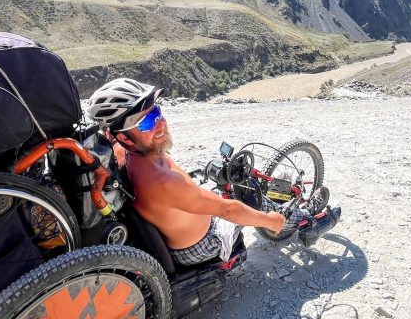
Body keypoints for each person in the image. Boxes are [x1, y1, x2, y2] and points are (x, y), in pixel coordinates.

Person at [86, 78, 337, 265]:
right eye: (147, 122)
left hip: (182, 227)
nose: (160, 123)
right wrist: (272, 221)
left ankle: (285, 207)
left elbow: (112, 134)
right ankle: (307, 220)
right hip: (204, 243)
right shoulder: (161, 182)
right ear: (124, 137)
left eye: (157, 112)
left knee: (233, 187)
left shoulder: (123, 150)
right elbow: (229, 210)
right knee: (252, 198)